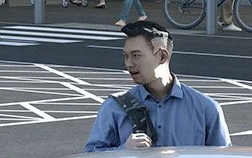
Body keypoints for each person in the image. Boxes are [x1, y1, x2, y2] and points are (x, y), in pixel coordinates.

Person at [86, 20, 230, 150]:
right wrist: (123, 151)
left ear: (162, 56)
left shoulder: (206, 109)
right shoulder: (114, 108)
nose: (128, 63)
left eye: (136, 55)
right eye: (125, 56)